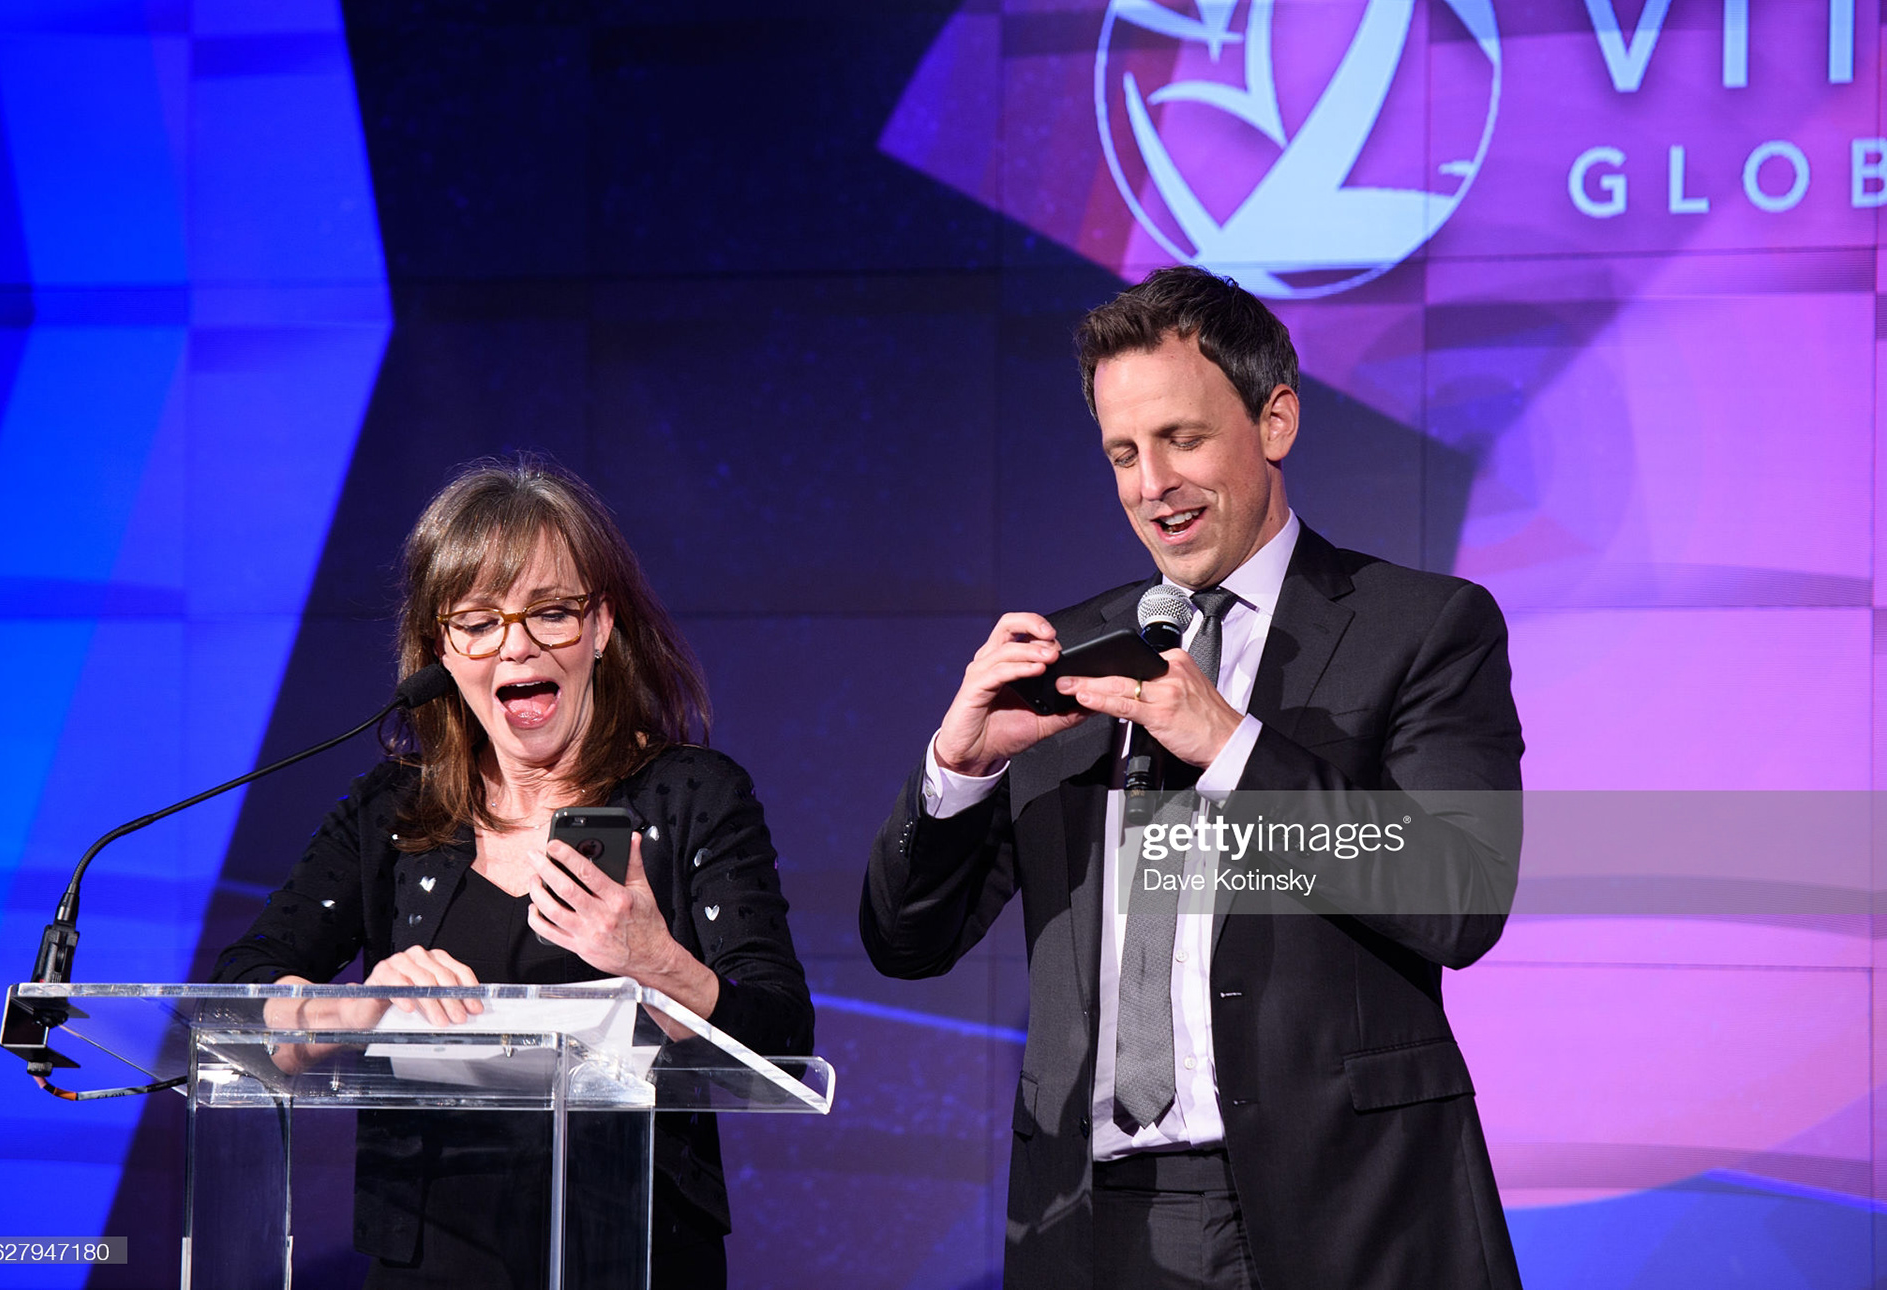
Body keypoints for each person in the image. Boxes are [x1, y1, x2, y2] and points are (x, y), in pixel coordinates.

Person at [861, 267, 1524, 1290]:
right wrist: (958, 767)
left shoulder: (1423, 628)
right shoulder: (1072, 656)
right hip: (1095, 1221)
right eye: (1122, 453)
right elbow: (906, 942)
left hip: (1347, 1209)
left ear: (1277, 420)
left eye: (1181, 439)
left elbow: (1460, 896)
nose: (1151, 486)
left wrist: (1232, 748)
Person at [215, 454, 813, 1288]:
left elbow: (783, 1037)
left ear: (602, 628)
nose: (516, 645)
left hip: (637, 1251)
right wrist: (341, 1008)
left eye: (552, 613)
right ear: (440, 651)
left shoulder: (692, 796)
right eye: (479, 621)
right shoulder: (393, 813)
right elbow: (237, 995)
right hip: (428, 1258)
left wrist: (658, 963)